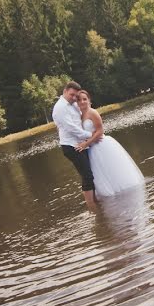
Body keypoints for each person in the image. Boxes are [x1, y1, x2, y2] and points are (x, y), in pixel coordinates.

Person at [74, 89, 145, 197]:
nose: (82, 102)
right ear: (77, 102)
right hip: (91, 149)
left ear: (89, 100)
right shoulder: (79, 116)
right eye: (79, 100)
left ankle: (124, 192)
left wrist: (86, 143)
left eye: (85, 99)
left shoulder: (93, 112)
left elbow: (100, 131)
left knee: (111, 169)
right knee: (99, 173)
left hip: (101, 145)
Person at [52, 81, 100, 210]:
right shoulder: (60, 107)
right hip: (71, 146)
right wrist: (90, 134)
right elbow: (71, 128)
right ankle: (91, 207)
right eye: (72, 95)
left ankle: (95, 202)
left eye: (75, 96)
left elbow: (81, 117)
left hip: (81, 143)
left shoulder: (72, 104)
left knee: (88, 174)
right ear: (65, 91)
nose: (74, 98)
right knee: (87, 176)